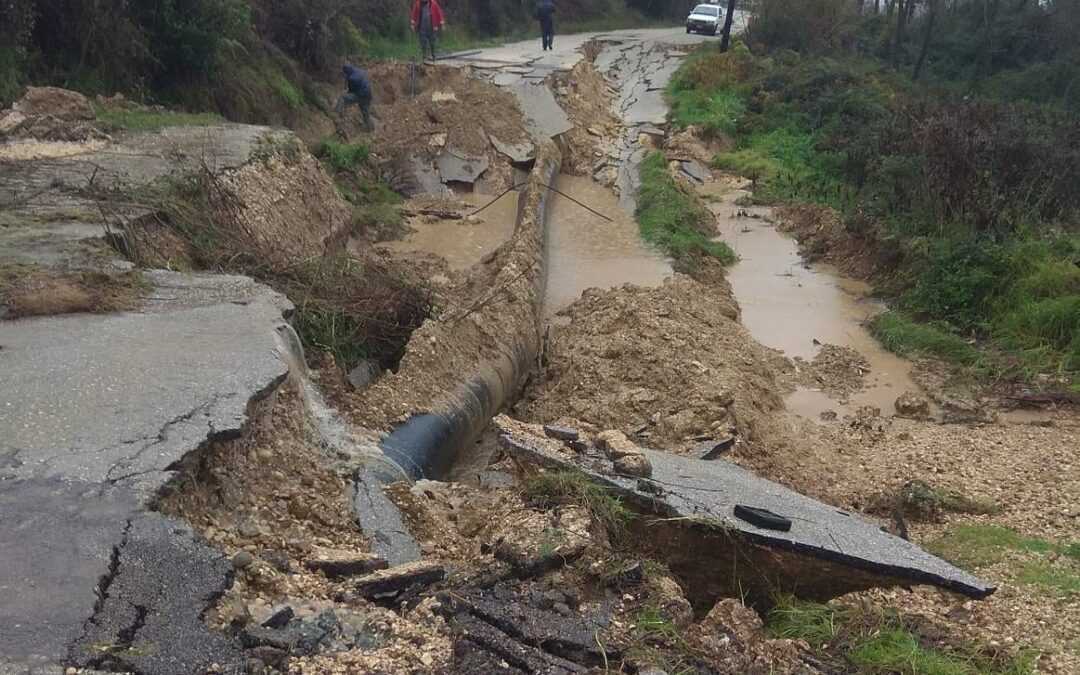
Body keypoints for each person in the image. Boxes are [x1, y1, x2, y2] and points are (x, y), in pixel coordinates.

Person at [336, 64, 374, 132]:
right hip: (368, 94)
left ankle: (337, 113)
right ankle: (370, 128)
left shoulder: (352, 78)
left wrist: (347, 95)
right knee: (365, 112)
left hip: (361, 95)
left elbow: (351, 91)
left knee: (343, 97)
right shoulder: (359, 70)